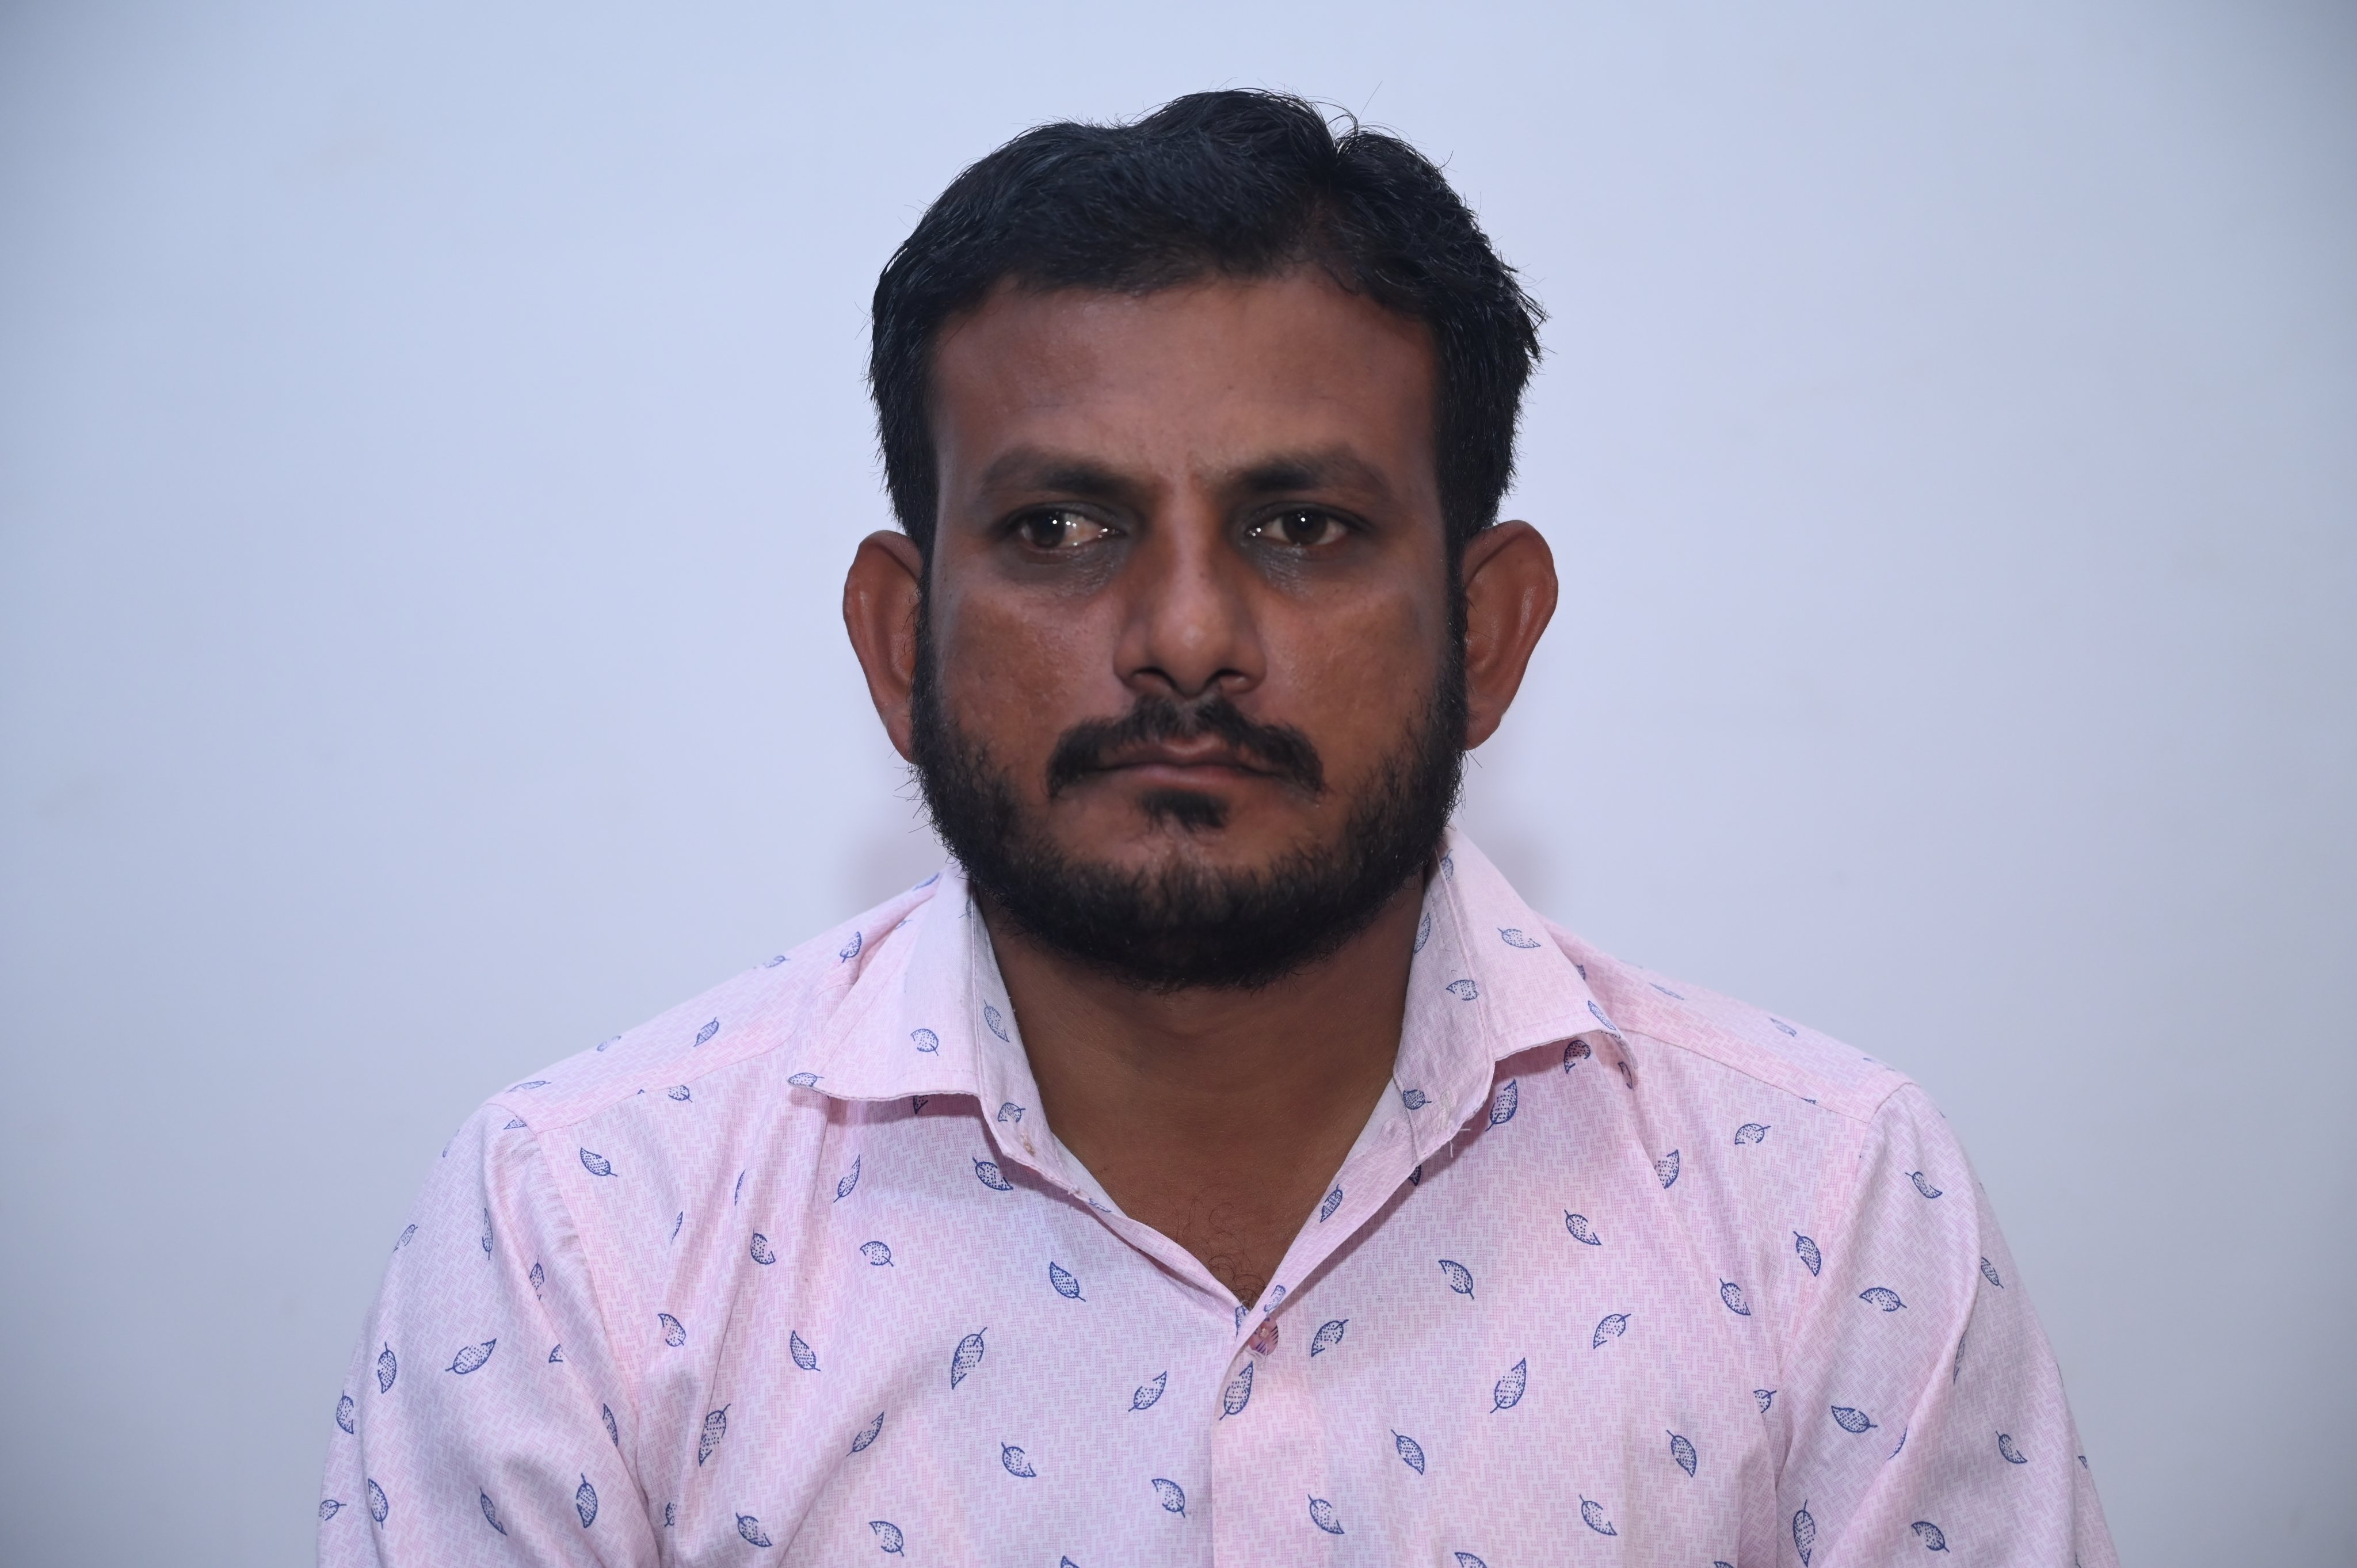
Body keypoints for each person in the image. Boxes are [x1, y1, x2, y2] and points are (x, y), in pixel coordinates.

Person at [319, 90, 2116, 1567]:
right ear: (899, 639)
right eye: (1062, 530)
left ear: (1488, 631)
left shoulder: (1827, 1208)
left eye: (1301, 528)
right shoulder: (585, 1235)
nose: (1185, 638)